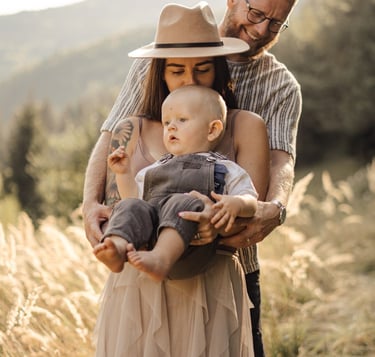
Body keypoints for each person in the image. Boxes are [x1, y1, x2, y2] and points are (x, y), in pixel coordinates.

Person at [85, 0, 302, 354]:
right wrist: (90, 203)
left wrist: (272, 208)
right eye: (256, 14)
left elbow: (277, 166)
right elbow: (112, 144)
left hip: (220, 272)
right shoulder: (140, 109)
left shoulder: (269, 97)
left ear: (218, 68)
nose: (263, 29)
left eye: (276, 23)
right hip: (140, 283)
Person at [94, 86, 258, 282]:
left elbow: (252, 200)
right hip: (150, 242)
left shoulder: (223, 167)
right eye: (167, 122)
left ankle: (161, 258)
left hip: (193, 249)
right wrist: (123, 173)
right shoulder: (154, 169)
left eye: (182, 120)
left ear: (212, 130)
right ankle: (118, 248)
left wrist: (238, 204)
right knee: (128, 206)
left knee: (186, 202)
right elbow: (135, 201)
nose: (171, 127)